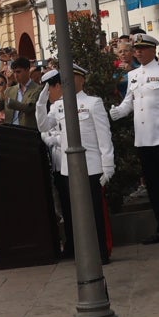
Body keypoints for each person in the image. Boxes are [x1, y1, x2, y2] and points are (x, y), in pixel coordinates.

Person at [111, 33, 159, 245]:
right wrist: (118, 112)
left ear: (153, 50)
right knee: (153, 188)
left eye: (143, 48)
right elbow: (129, 102)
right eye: (136, 49)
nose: (138, 52)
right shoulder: (133, 75)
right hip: (143, 140)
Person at [37, 65, 114, 263]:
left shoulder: (93, 103)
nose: (68, 81)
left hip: (92, 165)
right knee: (78, 214)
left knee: (96, 212)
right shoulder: (59, 105)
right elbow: (44, 125)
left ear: (82, 79)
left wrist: (108, 166)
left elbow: (104, 136)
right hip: (69, 168)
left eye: (73, 77)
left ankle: (102, 252)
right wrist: (41, 101)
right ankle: (85, 253)